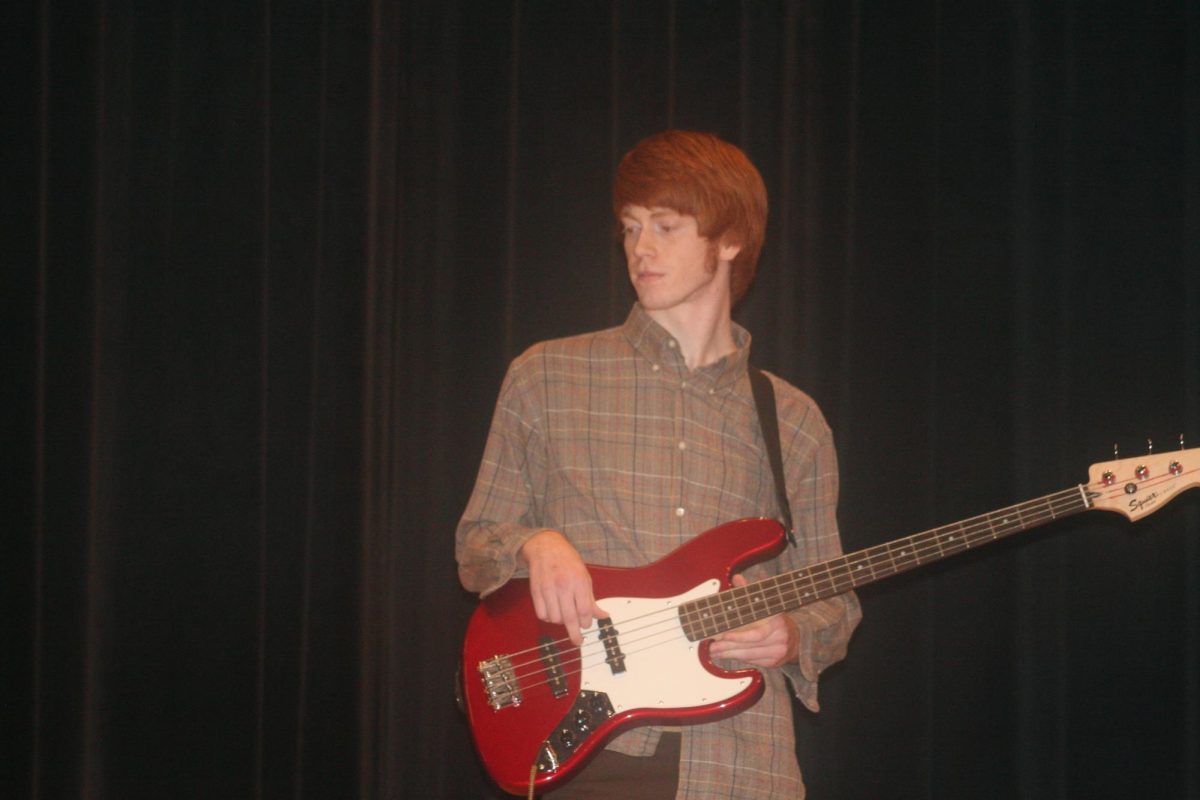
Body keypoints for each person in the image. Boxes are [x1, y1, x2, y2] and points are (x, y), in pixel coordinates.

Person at [457, 130, 862, 799]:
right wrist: (535, 542)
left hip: (740, 762)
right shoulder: (546, 376)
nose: (639, 249)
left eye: (666, 227)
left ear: (729, 240)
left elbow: (834, 600)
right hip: (586, 747)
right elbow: (475, 546)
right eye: (630, 228)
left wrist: (790, 635)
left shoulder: (795, 422)